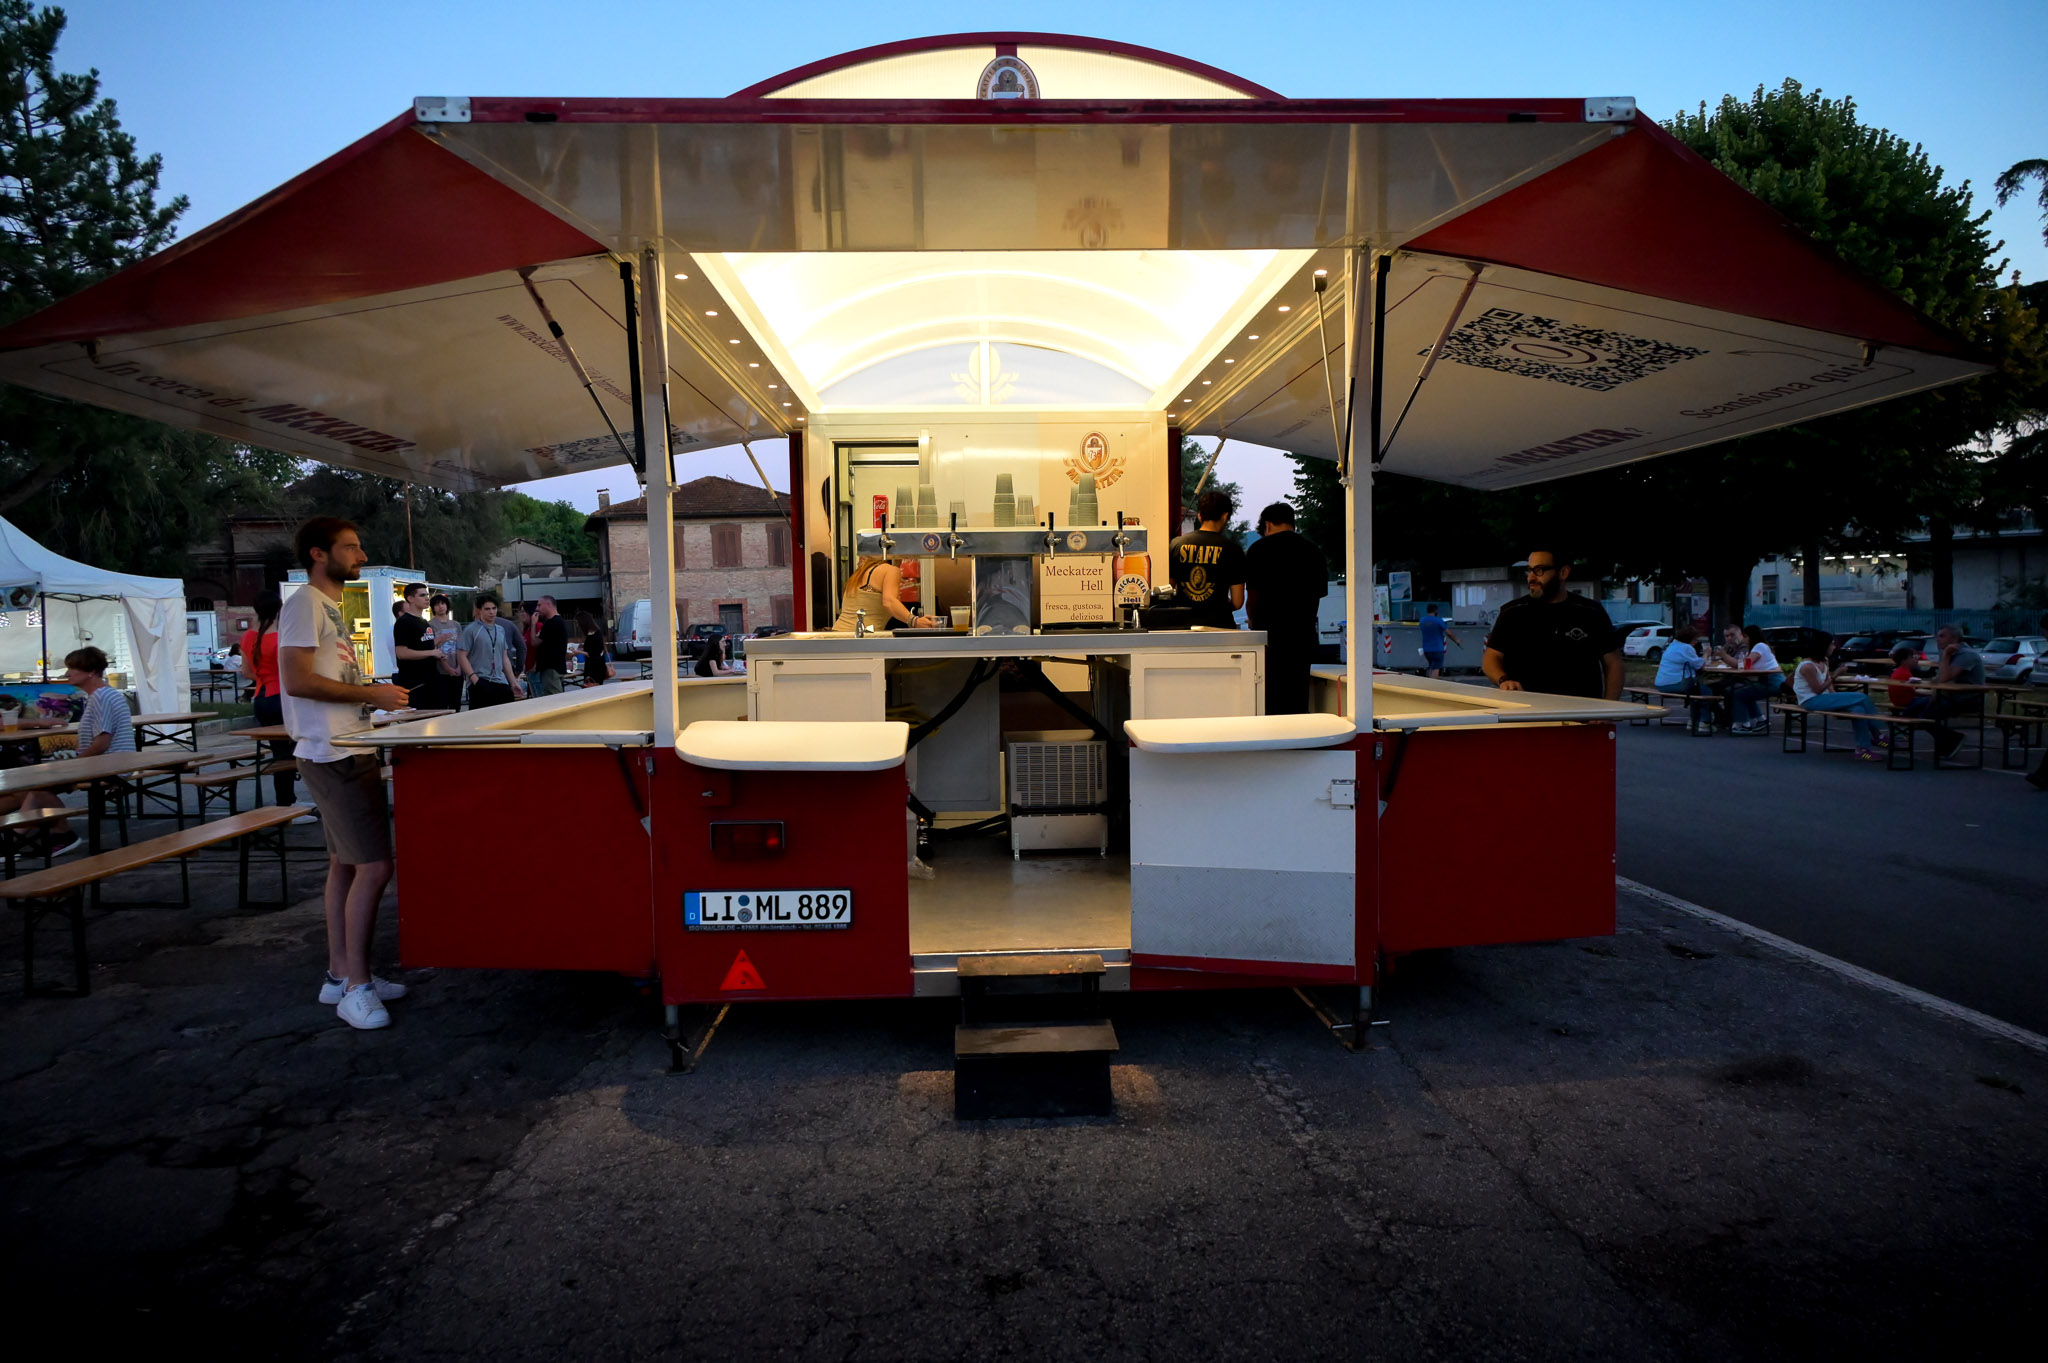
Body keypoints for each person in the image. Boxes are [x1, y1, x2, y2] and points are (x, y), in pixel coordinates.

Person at [276, 517, 414, 1030]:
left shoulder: (326, 605)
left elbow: (325, 679)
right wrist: (370, 694)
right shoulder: (304, 604)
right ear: (318, 553)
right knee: (374, 867)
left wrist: (372, 706)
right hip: (332, 753)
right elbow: (296, 681)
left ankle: (341, 975)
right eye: (351, 548)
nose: (361, 556)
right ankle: (357, 987)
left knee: (346, 866)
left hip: (345, 745)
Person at [11, 646, 138, 856]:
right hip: (110, 762)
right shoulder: (101, 695)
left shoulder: (101, 697)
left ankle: (29, 838)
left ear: (91, 672)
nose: (67, 673)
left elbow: (102, 742)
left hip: (110, 765)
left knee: (40, 786)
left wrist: (74, 763)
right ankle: (36, 836)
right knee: (36, 787)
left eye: (72, 668)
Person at [1480, 551, 1623, 699]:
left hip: (1581, 709)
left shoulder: (1591, 612)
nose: (1531, 578)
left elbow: (1613, 664)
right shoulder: (1512, 612)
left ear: (1563, 572)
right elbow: (1491, 658)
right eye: (1529, 570)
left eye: (1539, 570)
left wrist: (1609, 706)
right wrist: (1503, 680)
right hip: (1525, 708)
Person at [1242, 501, 1329, 713]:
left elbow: (1252, 596)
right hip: (1301, 638)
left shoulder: (1258, 550)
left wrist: (1253, 623)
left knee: (1268, 700)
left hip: (1268, 639)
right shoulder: (1313, 551)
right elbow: (1317, 598)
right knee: (1297, 699)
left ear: (1268, 525)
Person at [239, 591, 302, 811]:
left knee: (279, 753)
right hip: (282, 697)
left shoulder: (248, 637)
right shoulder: (281, 637)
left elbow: (246, 671)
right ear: (279, 610)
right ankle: (286, 804)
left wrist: (264, 677)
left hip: (261, 697)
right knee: (292, 752)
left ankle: (286, 801)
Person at [1168, 489, 1248, 629]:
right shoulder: (1233, 550)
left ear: (1200, 516)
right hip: (1219, 625)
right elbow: (1238, 602)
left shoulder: (1176, 544)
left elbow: (1167, 590)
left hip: (1183, 625)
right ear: (1225, 516)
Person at [1905, 623, 1984, 760]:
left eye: (1942, 636)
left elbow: (1944, 678)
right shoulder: (1949, 654)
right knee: (1910, 710)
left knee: (1926, 717)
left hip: (1967, 699)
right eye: (1938, 636)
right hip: (1948, 696)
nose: (1937, 639)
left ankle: (1953, 739)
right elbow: (1938, 679)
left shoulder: (1967, 655)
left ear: (1954, 639)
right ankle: (1947, 740)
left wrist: (1946, 655)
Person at [1792, 646, 1885, 760]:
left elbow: (1827, 682)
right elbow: (1818, 690)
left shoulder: (1824, 661)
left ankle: (1862, 749)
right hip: (1811, 701)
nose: (1834, 647)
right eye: (1831, 644)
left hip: (1825, 698)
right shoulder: (1807, 666)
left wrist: (1835, 696)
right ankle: (1878, 735)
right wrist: (1836, 675)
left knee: (1858, 710)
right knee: (1862, 697)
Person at [833, 556, 938, 631]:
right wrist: (915, 621)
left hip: (839, 634)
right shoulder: (890, 570)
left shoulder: (861, 572)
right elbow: (889, 601)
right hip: (861, 637)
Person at [455, 595, 525, 708]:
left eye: (494, 608)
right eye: (487, 609)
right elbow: (461, 655)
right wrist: (474, 678)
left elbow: (504, 658)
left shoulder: (500, 629)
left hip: (501, 681)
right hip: (481, 680)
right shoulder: (471, 630)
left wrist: (513, 682)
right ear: (479, 610)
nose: (491, 612)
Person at [1724, 622, 1784, 734]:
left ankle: (1743, 724)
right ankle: (1760, 719)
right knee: (1743, 691)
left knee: (1738, 694)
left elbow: (1743, 665)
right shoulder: (1756, 648)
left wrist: (1723, 655)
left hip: (1773, 683)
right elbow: (1745, 666)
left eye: (1744, 636)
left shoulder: (1760, 646)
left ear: (1749, 636)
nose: (1744, 640)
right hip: (1767, 681)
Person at [390, 582, 440, 708]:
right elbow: (401, 653)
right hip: (415, 683)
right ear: (410, 599)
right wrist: (431, 652)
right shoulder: (404, 622)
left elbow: (424, 645)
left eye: (427, 595)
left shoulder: (424, 622)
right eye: (422, 595)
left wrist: (437, 653)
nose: (427, 598)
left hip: (431, 681)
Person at [427, 593, 463, 711]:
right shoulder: (430, 625)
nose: (440, 607)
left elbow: (460, 647)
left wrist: (459, 667)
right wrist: (448, 668)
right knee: (442, 705)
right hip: (440, 671)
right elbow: (432, 647)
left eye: (443, 603)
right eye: (437, 604)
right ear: (433, 608)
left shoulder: (456, 624)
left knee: (456, 704)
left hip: (457, 669)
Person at [528, 595, 570, 696]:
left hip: (550, 669)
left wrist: (533, 624)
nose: (537, 608)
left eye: (539, 605)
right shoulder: (559, 621)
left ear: (549, 604)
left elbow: (534, 642)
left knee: (554, 698)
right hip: (557, 667)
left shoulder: (551, 623)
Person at [1416, 602, 1462, 679]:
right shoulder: (1438, 620)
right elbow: (1448, 633)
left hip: (1426, 649)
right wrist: (1456, 640)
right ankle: (1432, 684)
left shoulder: (1422, 620)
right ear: (1436, 611)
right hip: (1437, 648)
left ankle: (1428, 682)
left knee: (1431, 666)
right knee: (1436, 668)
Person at [575, 611, 612, 687]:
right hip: (594, 666)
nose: (577, 625)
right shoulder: (594, 633)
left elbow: (592, 653)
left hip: (595, 668)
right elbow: (591, 650)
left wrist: (578, 651)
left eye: (578, 623)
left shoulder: (593, 635)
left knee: (592, 687)